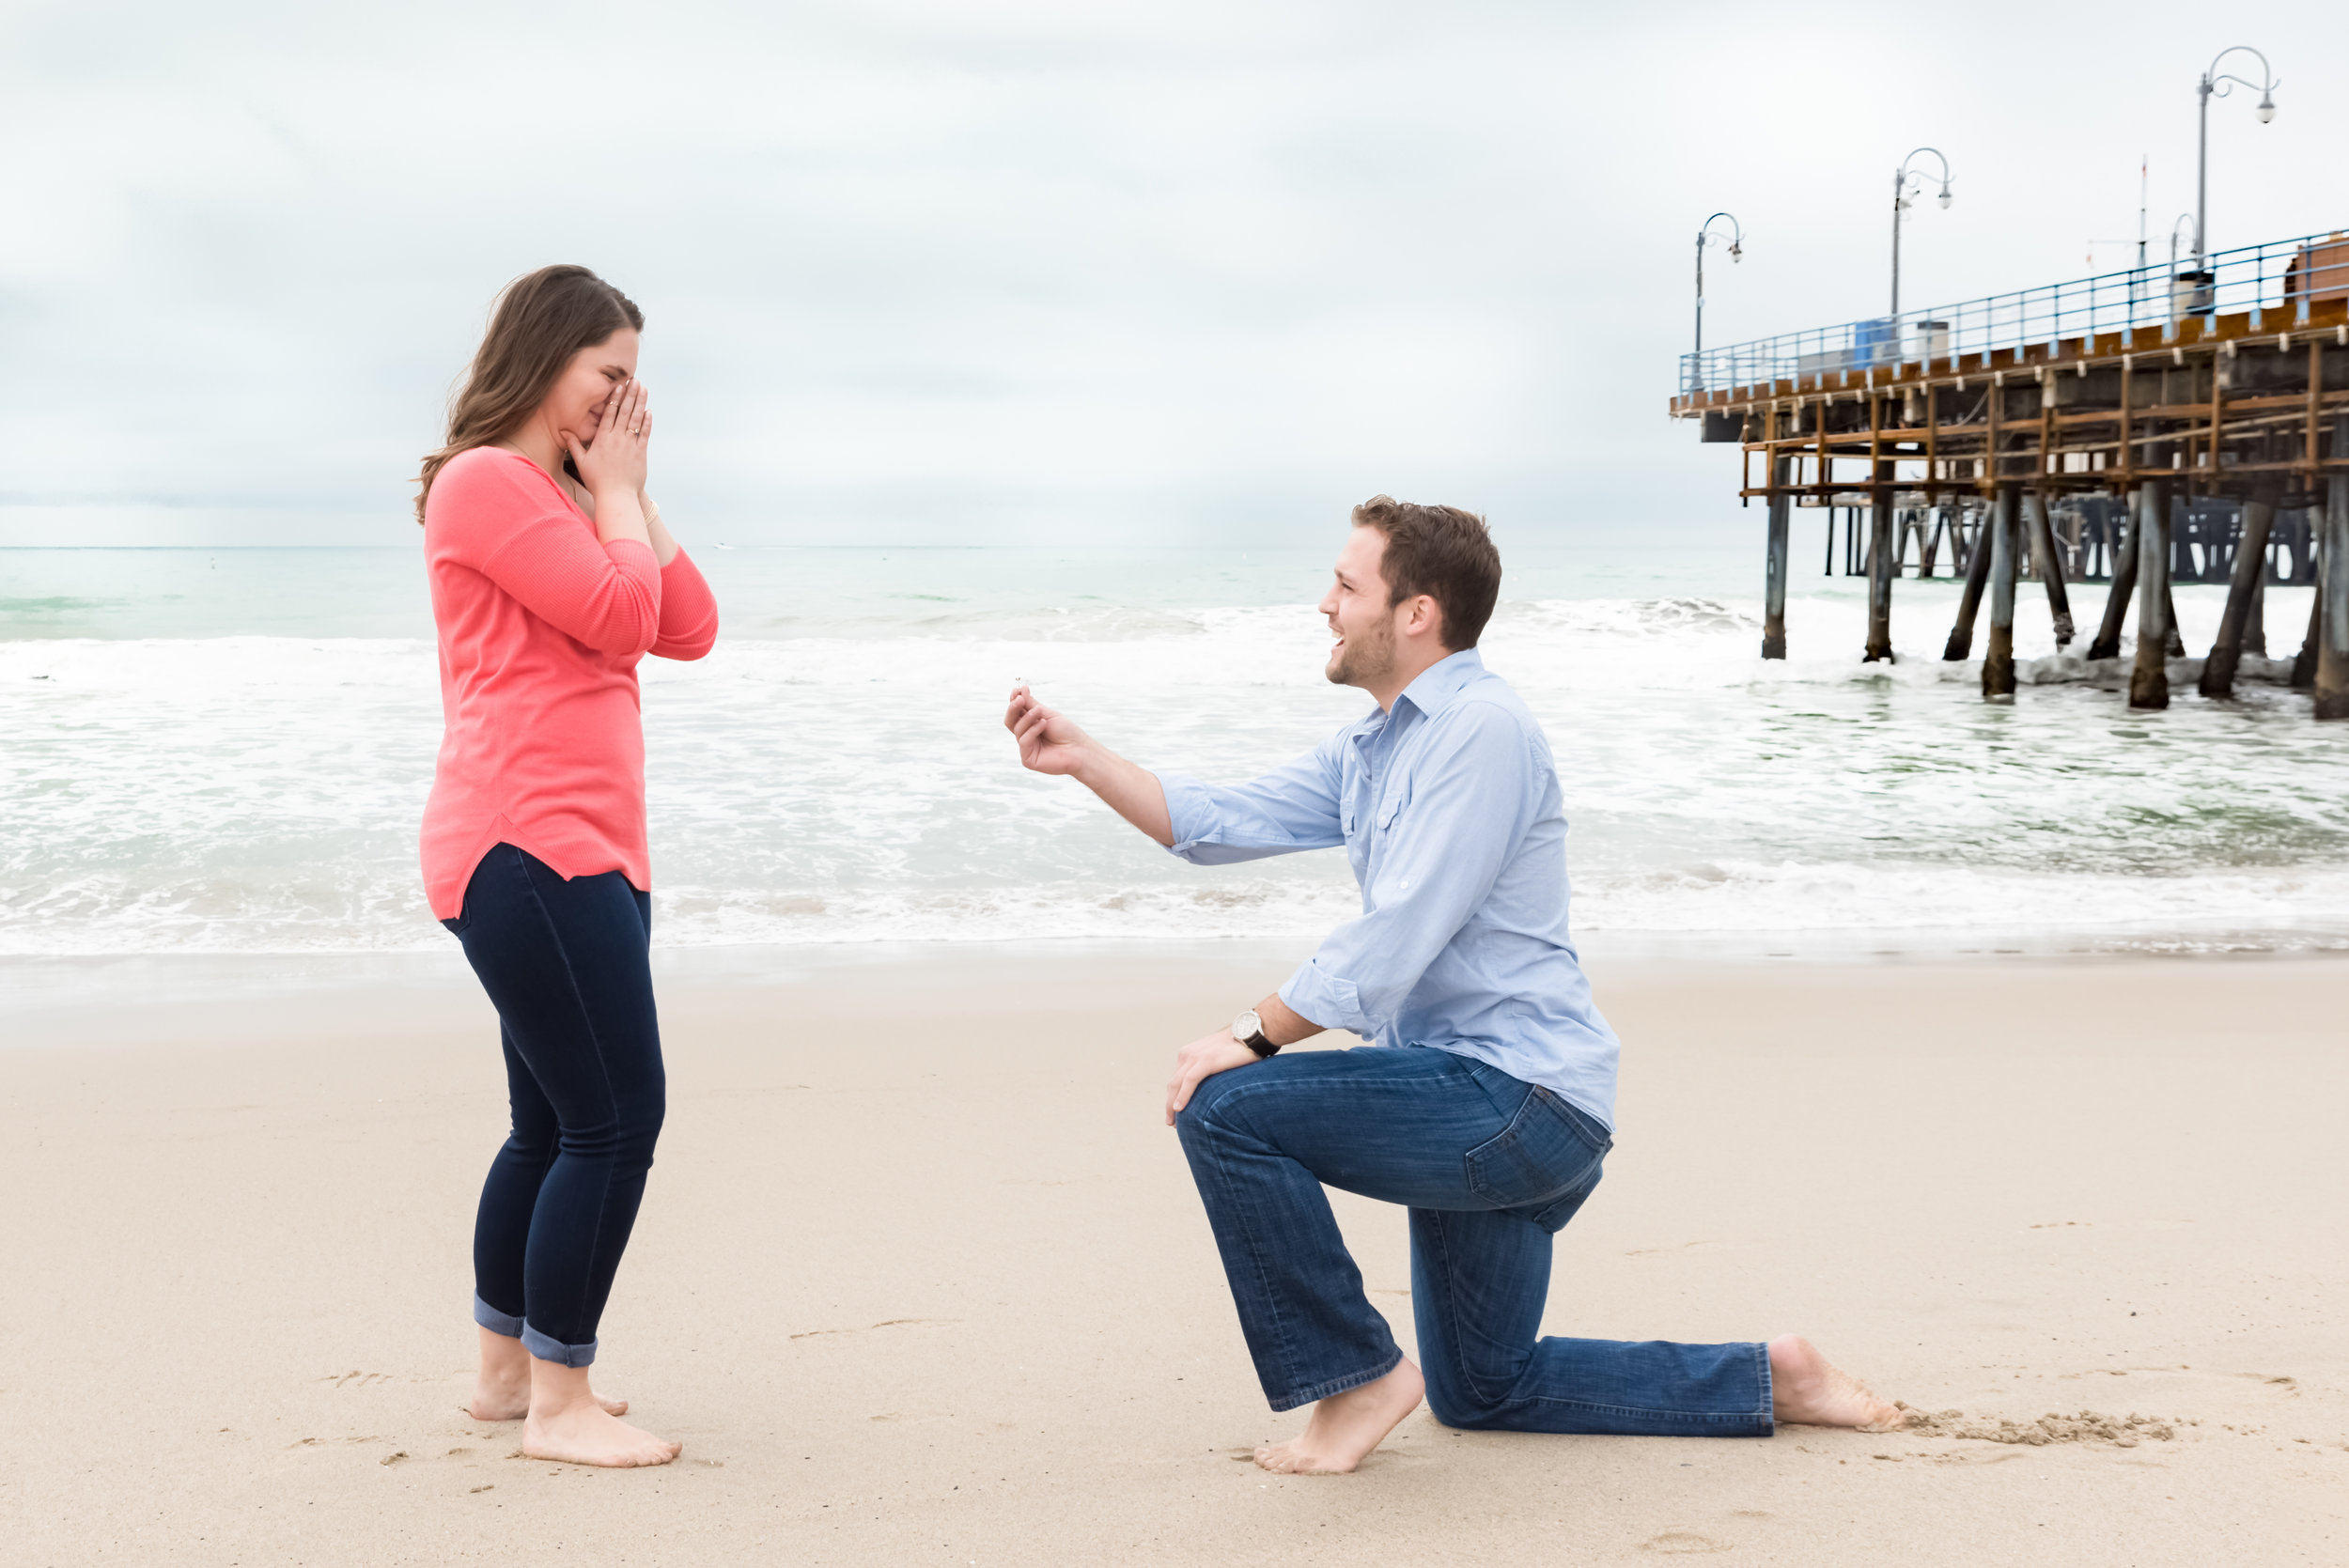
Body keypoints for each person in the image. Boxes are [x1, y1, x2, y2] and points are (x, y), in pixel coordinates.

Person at [1003, 497, 1903, 1475]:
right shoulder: (1374, 745)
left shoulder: (1482, 730)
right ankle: (1772, 1376)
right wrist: (1085, 758)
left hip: (1515, 1103)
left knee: (1225, 1107)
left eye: (1347, 586)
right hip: (1468, 1098)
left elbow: (1398, 933)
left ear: (1416, 612)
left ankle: (1354, 1381)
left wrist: (1248, 1034)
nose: (1325, 606)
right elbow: (1212, 821)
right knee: (1485, 1387)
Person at [415, 265, 719, 1468]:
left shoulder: (564, 491)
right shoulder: (485, 483)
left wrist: (628, 492)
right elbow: (615, 618)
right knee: (613, 1121)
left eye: (636, 384)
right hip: (524, 840)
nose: (623, 402)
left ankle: (503, 1376)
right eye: (610, 376)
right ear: (546, 360)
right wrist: (620, 498)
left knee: (547, 1124)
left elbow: (688, 625)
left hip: (587, 848)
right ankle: (560, 1403)